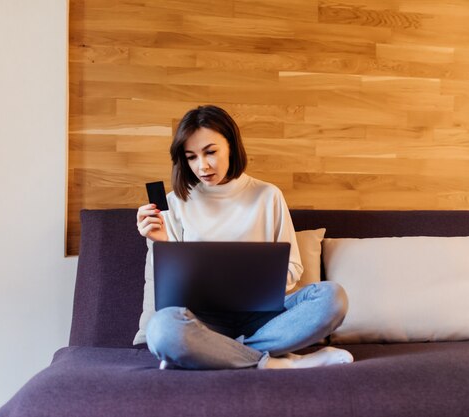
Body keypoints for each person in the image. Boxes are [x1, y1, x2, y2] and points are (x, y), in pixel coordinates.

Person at [136, 104, 353, 370]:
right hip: (203, 322)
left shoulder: (267, 195)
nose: (202, 166)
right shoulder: (175, 203)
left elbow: (294, 268)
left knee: (333, 297)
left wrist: (254, 283)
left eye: (210, 152)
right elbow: (173, 291)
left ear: (232, 145)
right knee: (162, 329)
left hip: (264, 319)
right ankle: (274, 362)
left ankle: (214, 355)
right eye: (191, 157)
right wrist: (162, 243)